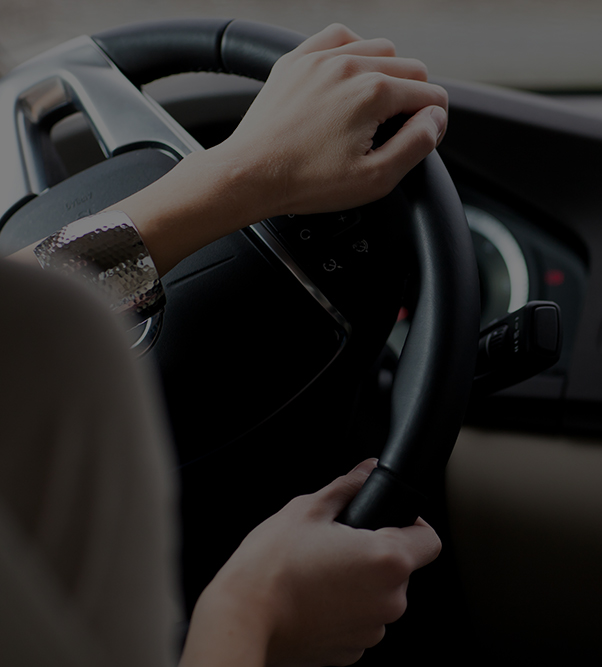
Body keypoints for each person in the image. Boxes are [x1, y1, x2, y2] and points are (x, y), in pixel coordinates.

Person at [1, 23, 446, 667]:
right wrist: (258, 613)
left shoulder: (44, 326)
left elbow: (30, 315)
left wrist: (239, 173)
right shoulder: (64, 342)